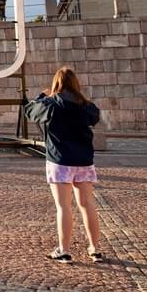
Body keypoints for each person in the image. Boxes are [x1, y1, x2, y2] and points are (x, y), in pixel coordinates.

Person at [24, 66, 102, 264]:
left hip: (60, 161)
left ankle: (64, 250)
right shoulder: (86, 105)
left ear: (56, 84)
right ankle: (94, 249)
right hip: (84, 161)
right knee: (87, 205)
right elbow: (95, 116)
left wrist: (41, 96)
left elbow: (30, 111)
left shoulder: (51, 104)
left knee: (64, 207)